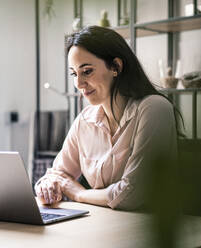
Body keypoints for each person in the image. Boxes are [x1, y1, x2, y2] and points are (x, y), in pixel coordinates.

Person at [34, 25, 178, 210]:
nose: (78, 83)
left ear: (116, 67)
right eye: (74, 73)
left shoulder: (154, 108)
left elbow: (131, 195)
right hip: (103, 225)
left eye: (87, 71)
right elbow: (57, 174)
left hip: (149, 233)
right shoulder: (85, 120)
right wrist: (47, 185)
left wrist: (78, 193)